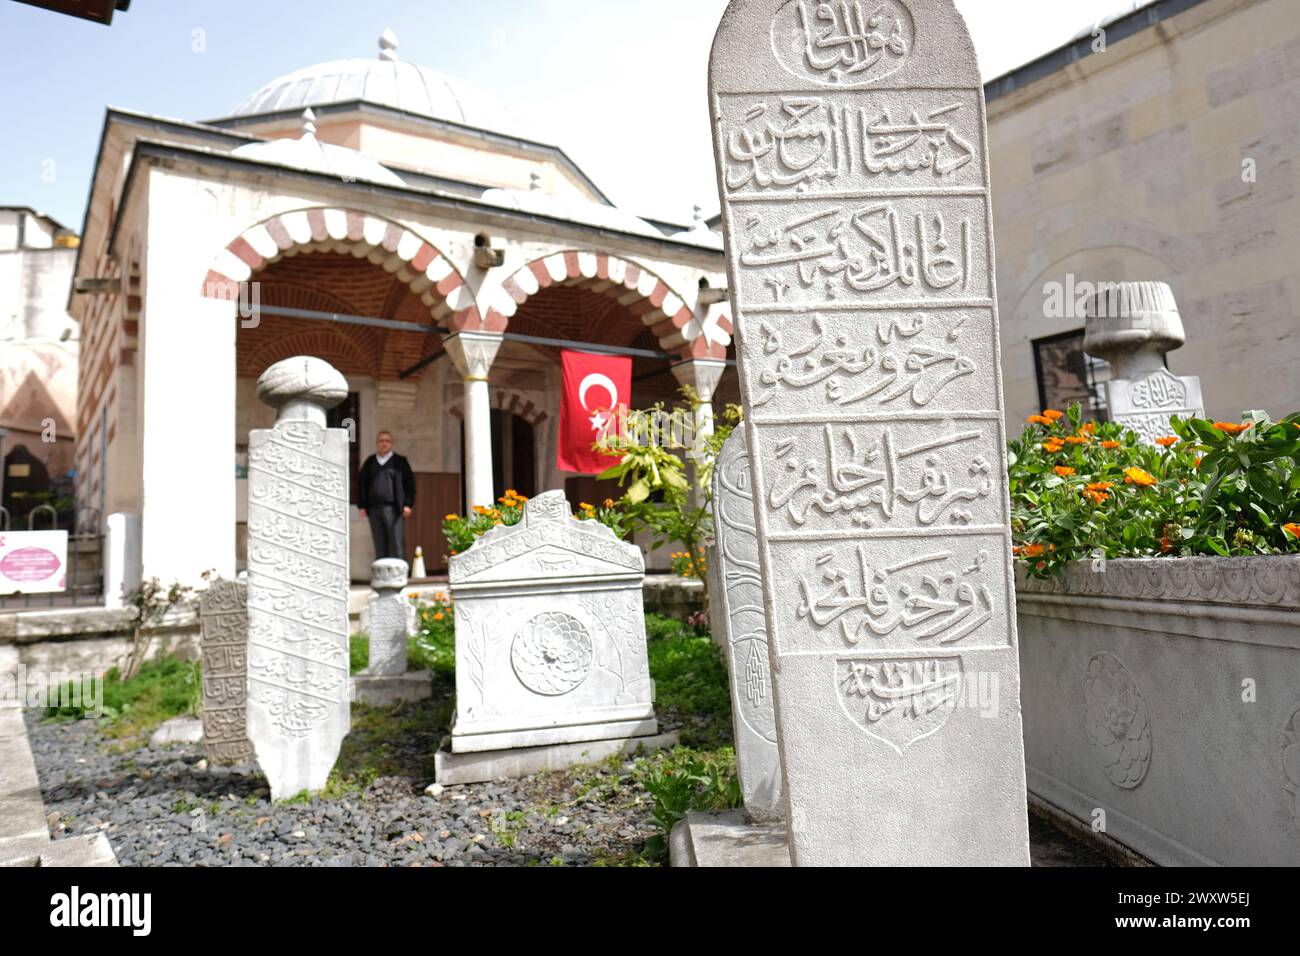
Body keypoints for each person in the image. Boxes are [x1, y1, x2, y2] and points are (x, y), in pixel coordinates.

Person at [358, 431, 416, 560]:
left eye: (387, 441)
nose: (384, 443)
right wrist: (362, 506)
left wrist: (408, 504)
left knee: (397, 543)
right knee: (379, 544)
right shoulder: (370, 462)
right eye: (381, 441)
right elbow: (361, 484)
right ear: (377, 444)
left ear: (391, 443)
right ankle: (382, 577)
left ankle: (400, 577)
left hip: (394, 509)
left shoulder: (400, 462)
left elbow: (410, 484)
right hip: (374, 509)